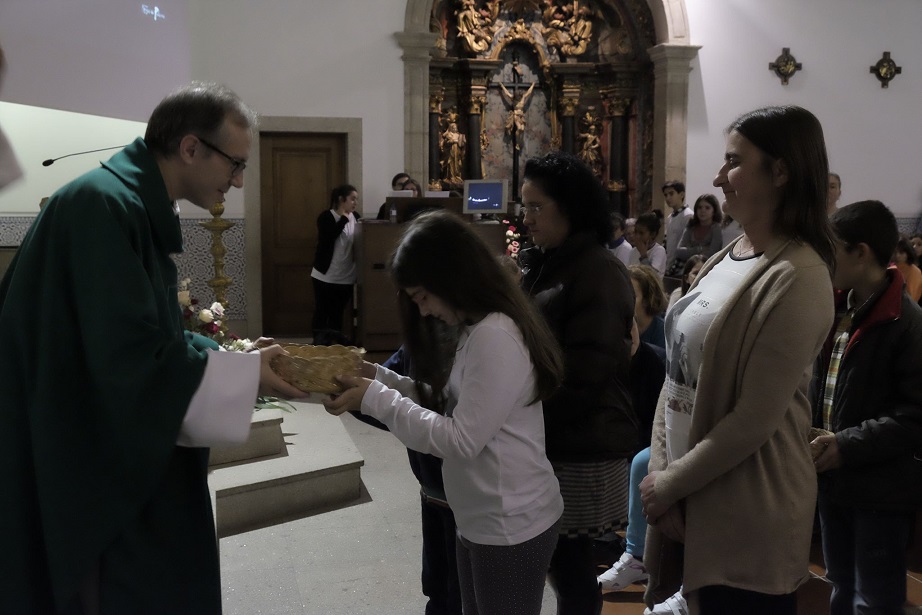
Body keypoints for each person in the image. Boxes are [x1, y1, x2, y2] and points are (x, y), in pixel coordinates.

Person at [0, 81, 306, 614]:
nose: (237, 181)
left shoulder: (127, 202)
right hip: (84, 457)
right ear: (190, 148)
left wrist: (231, 361)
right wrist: (243, 374)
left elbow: (144, 333)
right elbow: (125, 364)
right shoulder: (102, 206)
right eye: (235, 164)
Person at [640, 105, 836, 614]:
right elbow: (676, 377)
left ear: (780, 171)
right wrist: (663, 473)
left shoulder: (799, 275)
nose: (717, 178)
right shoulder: (725, 257)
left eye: (733, 161)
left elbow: (754, 419)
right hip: (691, 489)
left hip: (750, 506)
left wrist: (670, 484)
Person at [325, 210, 565, 615]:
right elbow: (447, 402)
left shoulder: (494, 335)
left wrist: (376, 398)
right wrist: (378, 376)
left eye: (422, 296)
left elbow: (461, 440)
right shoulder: (477, 328)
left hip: (511, 523)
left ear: (450, 278)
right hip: (481, 517)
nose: (422, 311)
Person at [519, 151, 638, 615]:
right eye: (524, 206)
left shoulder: (598, 271)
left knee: (569, 569)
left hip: (579, 441)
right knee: (560, 566)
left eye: (536, 207)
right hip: (551, 433)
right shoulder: (550, 261)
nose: (526, 218)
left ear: (569, 207)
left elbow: (588, 372)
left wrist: (522, 418)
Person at [811, 199, 922, 615]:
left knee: (874, 600)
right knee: (840, 584)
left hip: (881, 490)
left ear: (861, 253)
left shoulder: (906, 322)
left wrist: (846, 445)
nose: (826, 259)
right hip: (834, 482)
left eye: (832, 249)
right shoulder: (837, 307)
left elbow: (915, 417)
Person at [311, 184, 361, 345]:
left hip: (346, 275)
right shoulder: (326, 217)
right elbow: (328, 237)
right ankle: (319, 345)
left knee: (337, 313)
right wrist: (343, 219)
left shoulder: (356, 217)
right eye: (352, 199)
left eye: (356, 199)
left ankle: (334, 347)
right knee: (322, 310)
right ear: (341, 199)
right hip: (325, 275)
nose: (355, 203)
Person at [673, 193, 723, 267]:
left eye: (707, 208)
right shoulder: (691, 225)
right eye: (699, 207)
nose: (703, 211)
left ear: (714, 211)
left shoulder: (716, 228)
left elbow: (712, 254)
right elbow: (679, 251)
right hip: (688, 267)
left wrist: (689, 250)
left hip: (707, 268)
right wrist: (700, 249)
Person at [628, 264, 667, 349]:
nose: (624, 300)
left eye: (631, 295)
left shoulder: (665, 334)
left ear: (647, 299)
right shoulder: (615, 326)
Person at [662, 180, 692, 272]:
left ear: (681, 194)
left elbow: (686, 243)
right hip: (669, 264)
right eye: (666, 195)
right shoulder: (670, 217)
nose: (668, 198)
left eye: (671, 194)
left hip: (680, 266)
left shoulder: (688, 215)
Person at [628, 211, 667, 276]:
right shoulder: (633, 251)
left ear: (653, 234)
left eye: (641, 233)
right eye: (635, 232)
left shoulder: (659, 251)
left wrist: (643, 256)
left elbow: (651, 276)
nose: (637, 236)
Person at [892, 236, 922, 302]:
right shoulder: (891, 267)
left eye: (901, 252)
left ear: (908, 253)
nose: (897, 255)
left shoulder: (914, 271)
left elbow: (909, 299)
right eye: (895, 252)